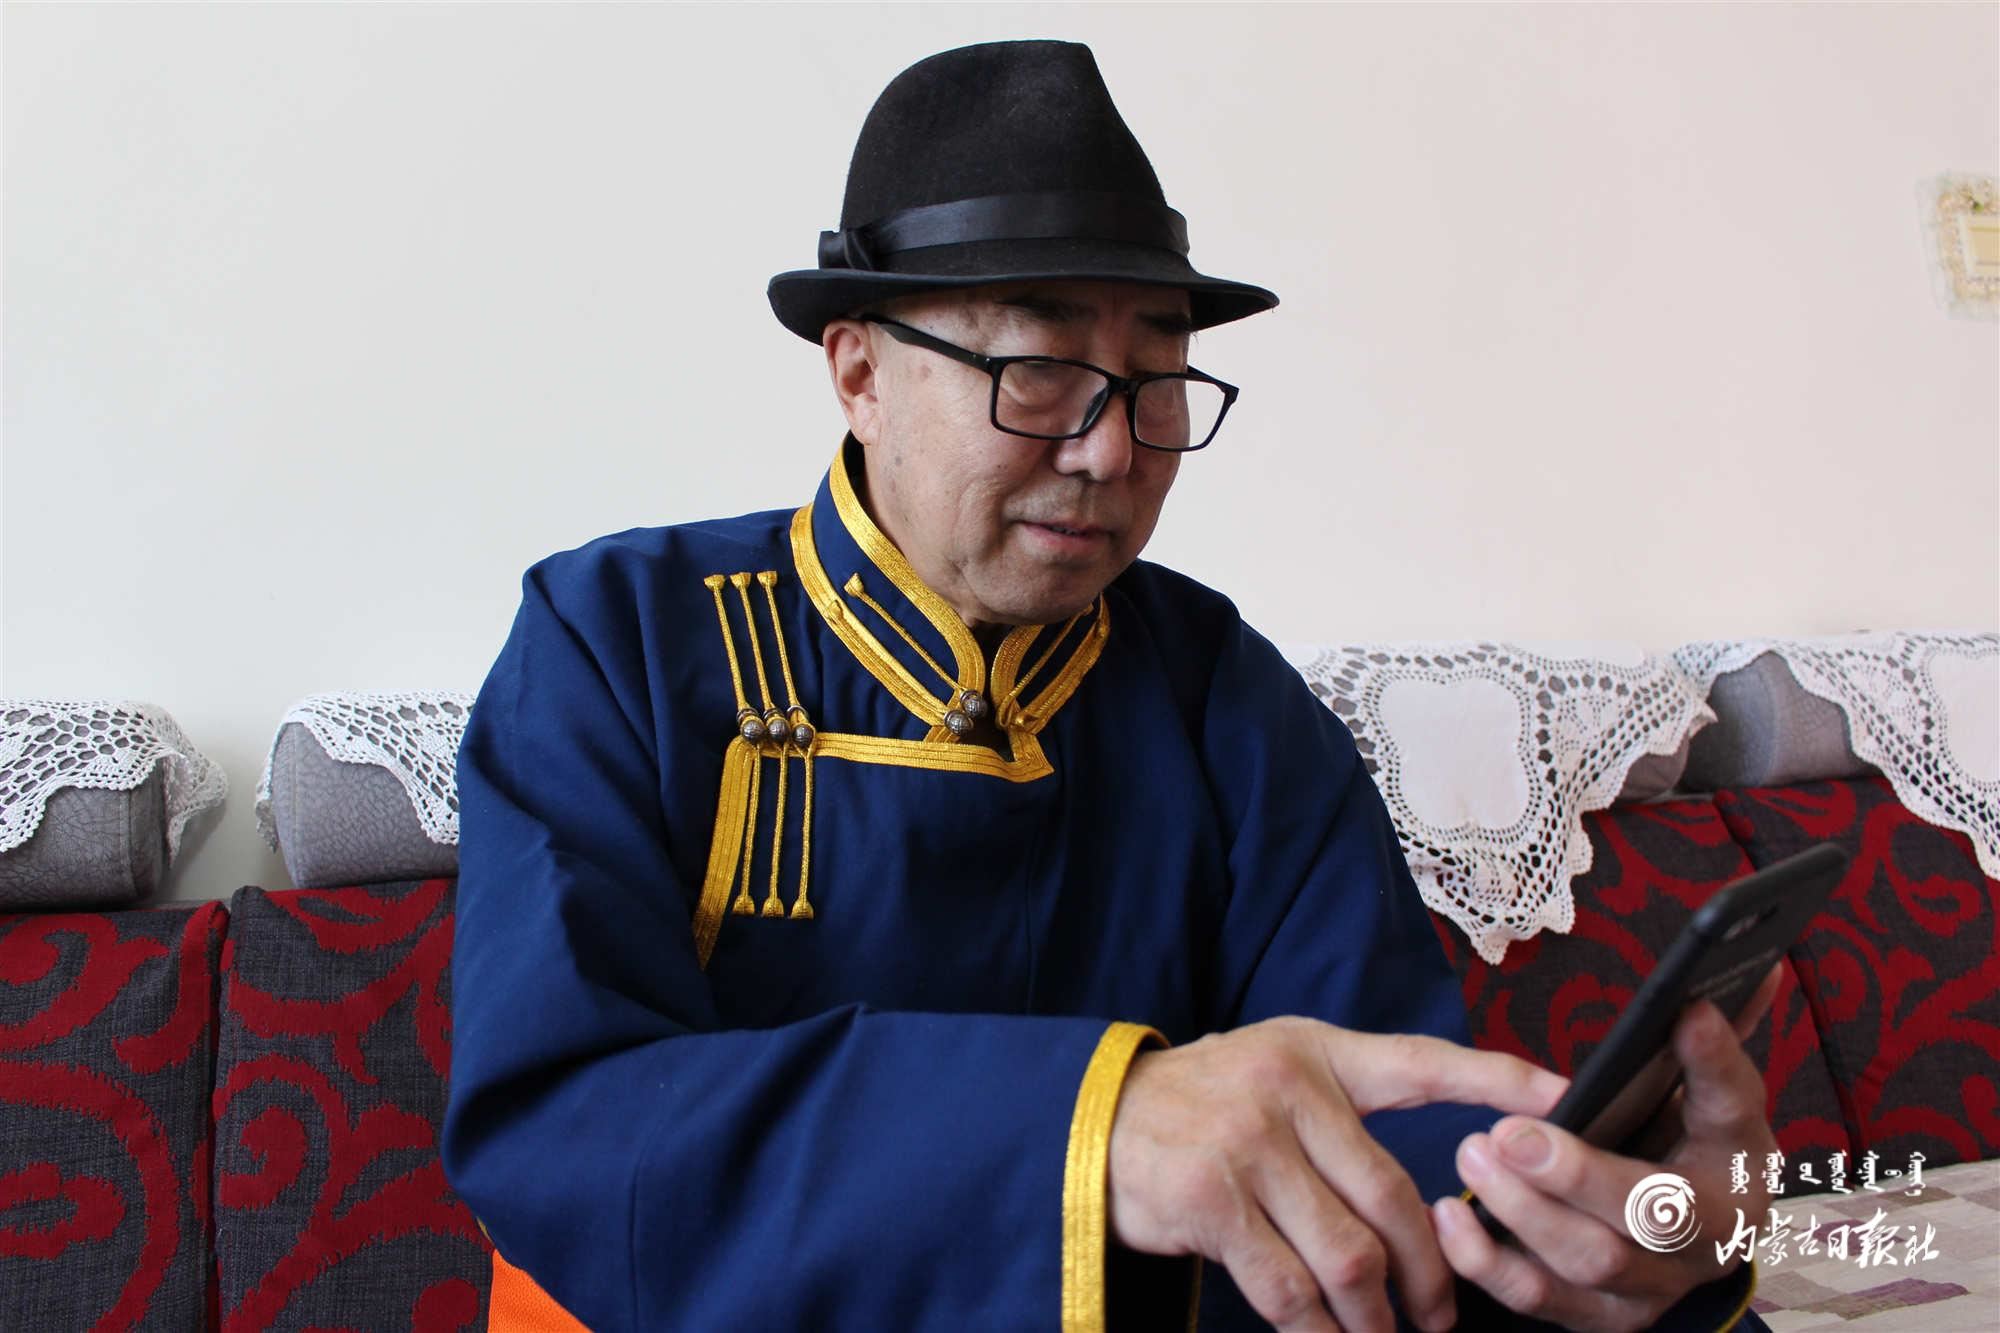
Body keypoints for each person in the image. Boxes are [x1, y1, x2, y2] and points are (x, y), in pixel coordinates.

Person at [443, 40, 1776, 1332]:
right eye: (1038, 371)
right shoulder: (616, 638)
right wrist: (1095, 1126)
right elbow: (564, 1127)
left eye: (1155, 382)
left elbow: (1375, 1146)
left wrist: (1608, 1232)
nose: (1108, 451)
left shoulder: (1224, 697)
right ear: (859, 371)